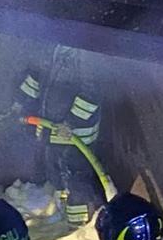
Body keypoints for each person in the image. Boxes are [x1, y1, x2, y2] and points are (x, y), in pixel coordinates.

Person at [12, 67, 106, 229]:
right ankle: (63, 217)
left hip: (75, 138)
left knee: (76, 181)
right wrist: (20, 102)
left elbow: (92, 92)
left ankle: (80, 226)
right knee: (58, 177)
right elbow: (36, 75)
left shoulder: (85, 59)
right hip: (52, 133)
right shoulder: (52, 53)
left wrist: (71, 122)